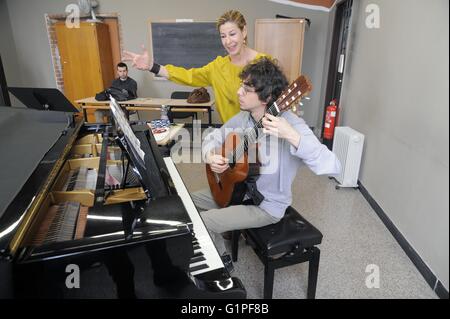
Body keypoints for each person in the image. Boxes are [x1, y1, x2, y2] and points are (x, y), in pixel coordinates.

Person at [191, 58, 341, 268]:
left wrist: (292, 136)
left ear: (267, 97)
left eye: (246, 89)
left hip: (266, 206)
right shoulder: (245, 118)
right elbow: (213, 136)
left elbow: (333, 165)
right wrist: (210, 155)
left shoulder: (292, 125)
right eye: (241, 86)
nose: (238, 93)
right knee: (185, 201)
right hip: (238, 189)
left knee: (204, 222)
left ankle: (221, 266)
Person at [123, 10, 268, 123]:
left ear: (244, 32)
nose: (228, 41)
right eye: (223, 36)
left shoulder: (265, 64)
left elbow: (276, 101)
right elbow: (187, 76)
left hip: (261, 135)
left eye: (232, 34)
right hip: (231, 135)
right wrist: (151, 66)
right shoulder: (217, 67)